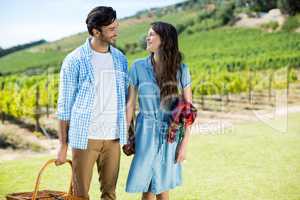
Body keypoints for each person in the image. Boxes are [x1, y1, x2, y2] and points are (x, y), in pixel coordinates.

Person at [55, 6, 128, 200]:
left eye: (116, 27)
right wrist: (63, 145)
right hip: (85, 138)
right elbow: (64, 106)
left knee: (110, 194)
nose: (116, 32)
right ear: (96, 31)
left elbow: (125, 99)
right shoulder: (74, 60)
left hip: (113, 139)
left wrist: (129, 133)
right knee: (80, 196)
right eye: (111, 29)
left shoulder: (120, 59)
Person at [125, 21, 193, 200]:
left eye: (152, 34)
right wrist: (128, 135)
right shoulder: (138, 67)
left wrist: (184, 145)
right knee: (146, 185)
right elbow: (130, 105)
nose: (147, 37)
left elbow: (189, 112)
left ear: (164, 40)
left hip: (170, 133)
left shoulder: (182, 70)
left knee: (162, 185)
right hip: (144, 133)